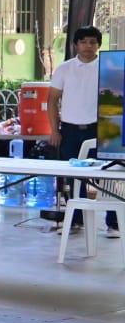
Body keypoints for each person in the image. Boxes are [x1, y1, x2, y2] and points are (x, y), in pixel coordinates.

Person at [50, 25, 116, 235]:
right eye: (84, 42)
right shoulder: (65, 68)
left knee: (109, 175)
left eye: (93, 42)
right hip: (70, 129)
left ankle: (113, 223)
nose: (88, 46)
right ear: (76, 44)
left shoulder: (108, 68)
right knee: (73, 177)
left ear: (98, 45)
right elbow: (52, 100)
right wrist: (54, 130)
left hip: (102, 128)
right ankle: (75, 220)